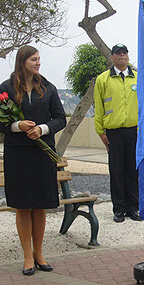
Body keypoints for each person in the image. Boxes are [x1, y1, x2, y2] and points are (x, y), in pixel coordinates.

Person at [0, 45, 66, 275]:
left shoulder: (47, 88)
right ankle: (27, 256)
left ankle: (39, 253)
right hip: (18, 155)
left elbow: (60, 119)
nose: (38, 63)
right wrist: (18, 126)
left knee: (39, 204)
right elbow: (1, 122)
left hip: (42, 153)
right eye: (33, 59)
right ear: (22, 62)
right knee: (22, 205)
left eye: (39, 59)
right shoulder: (5, 89)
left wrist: (43, 128)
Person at [94, 43, 140, 223]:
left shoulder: (137, 78)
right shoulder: (103, 79)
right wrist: (100, 132)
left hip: (133, 131)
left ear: (128, 56)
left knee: (132, 170)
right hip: (113, 132)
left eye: (124, 53)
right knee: (117, 171)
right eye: (118, 53)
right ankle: (119, 209)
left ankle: (133, 207)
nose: (122, 56)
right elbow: (99, 107)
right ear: (112, 57)